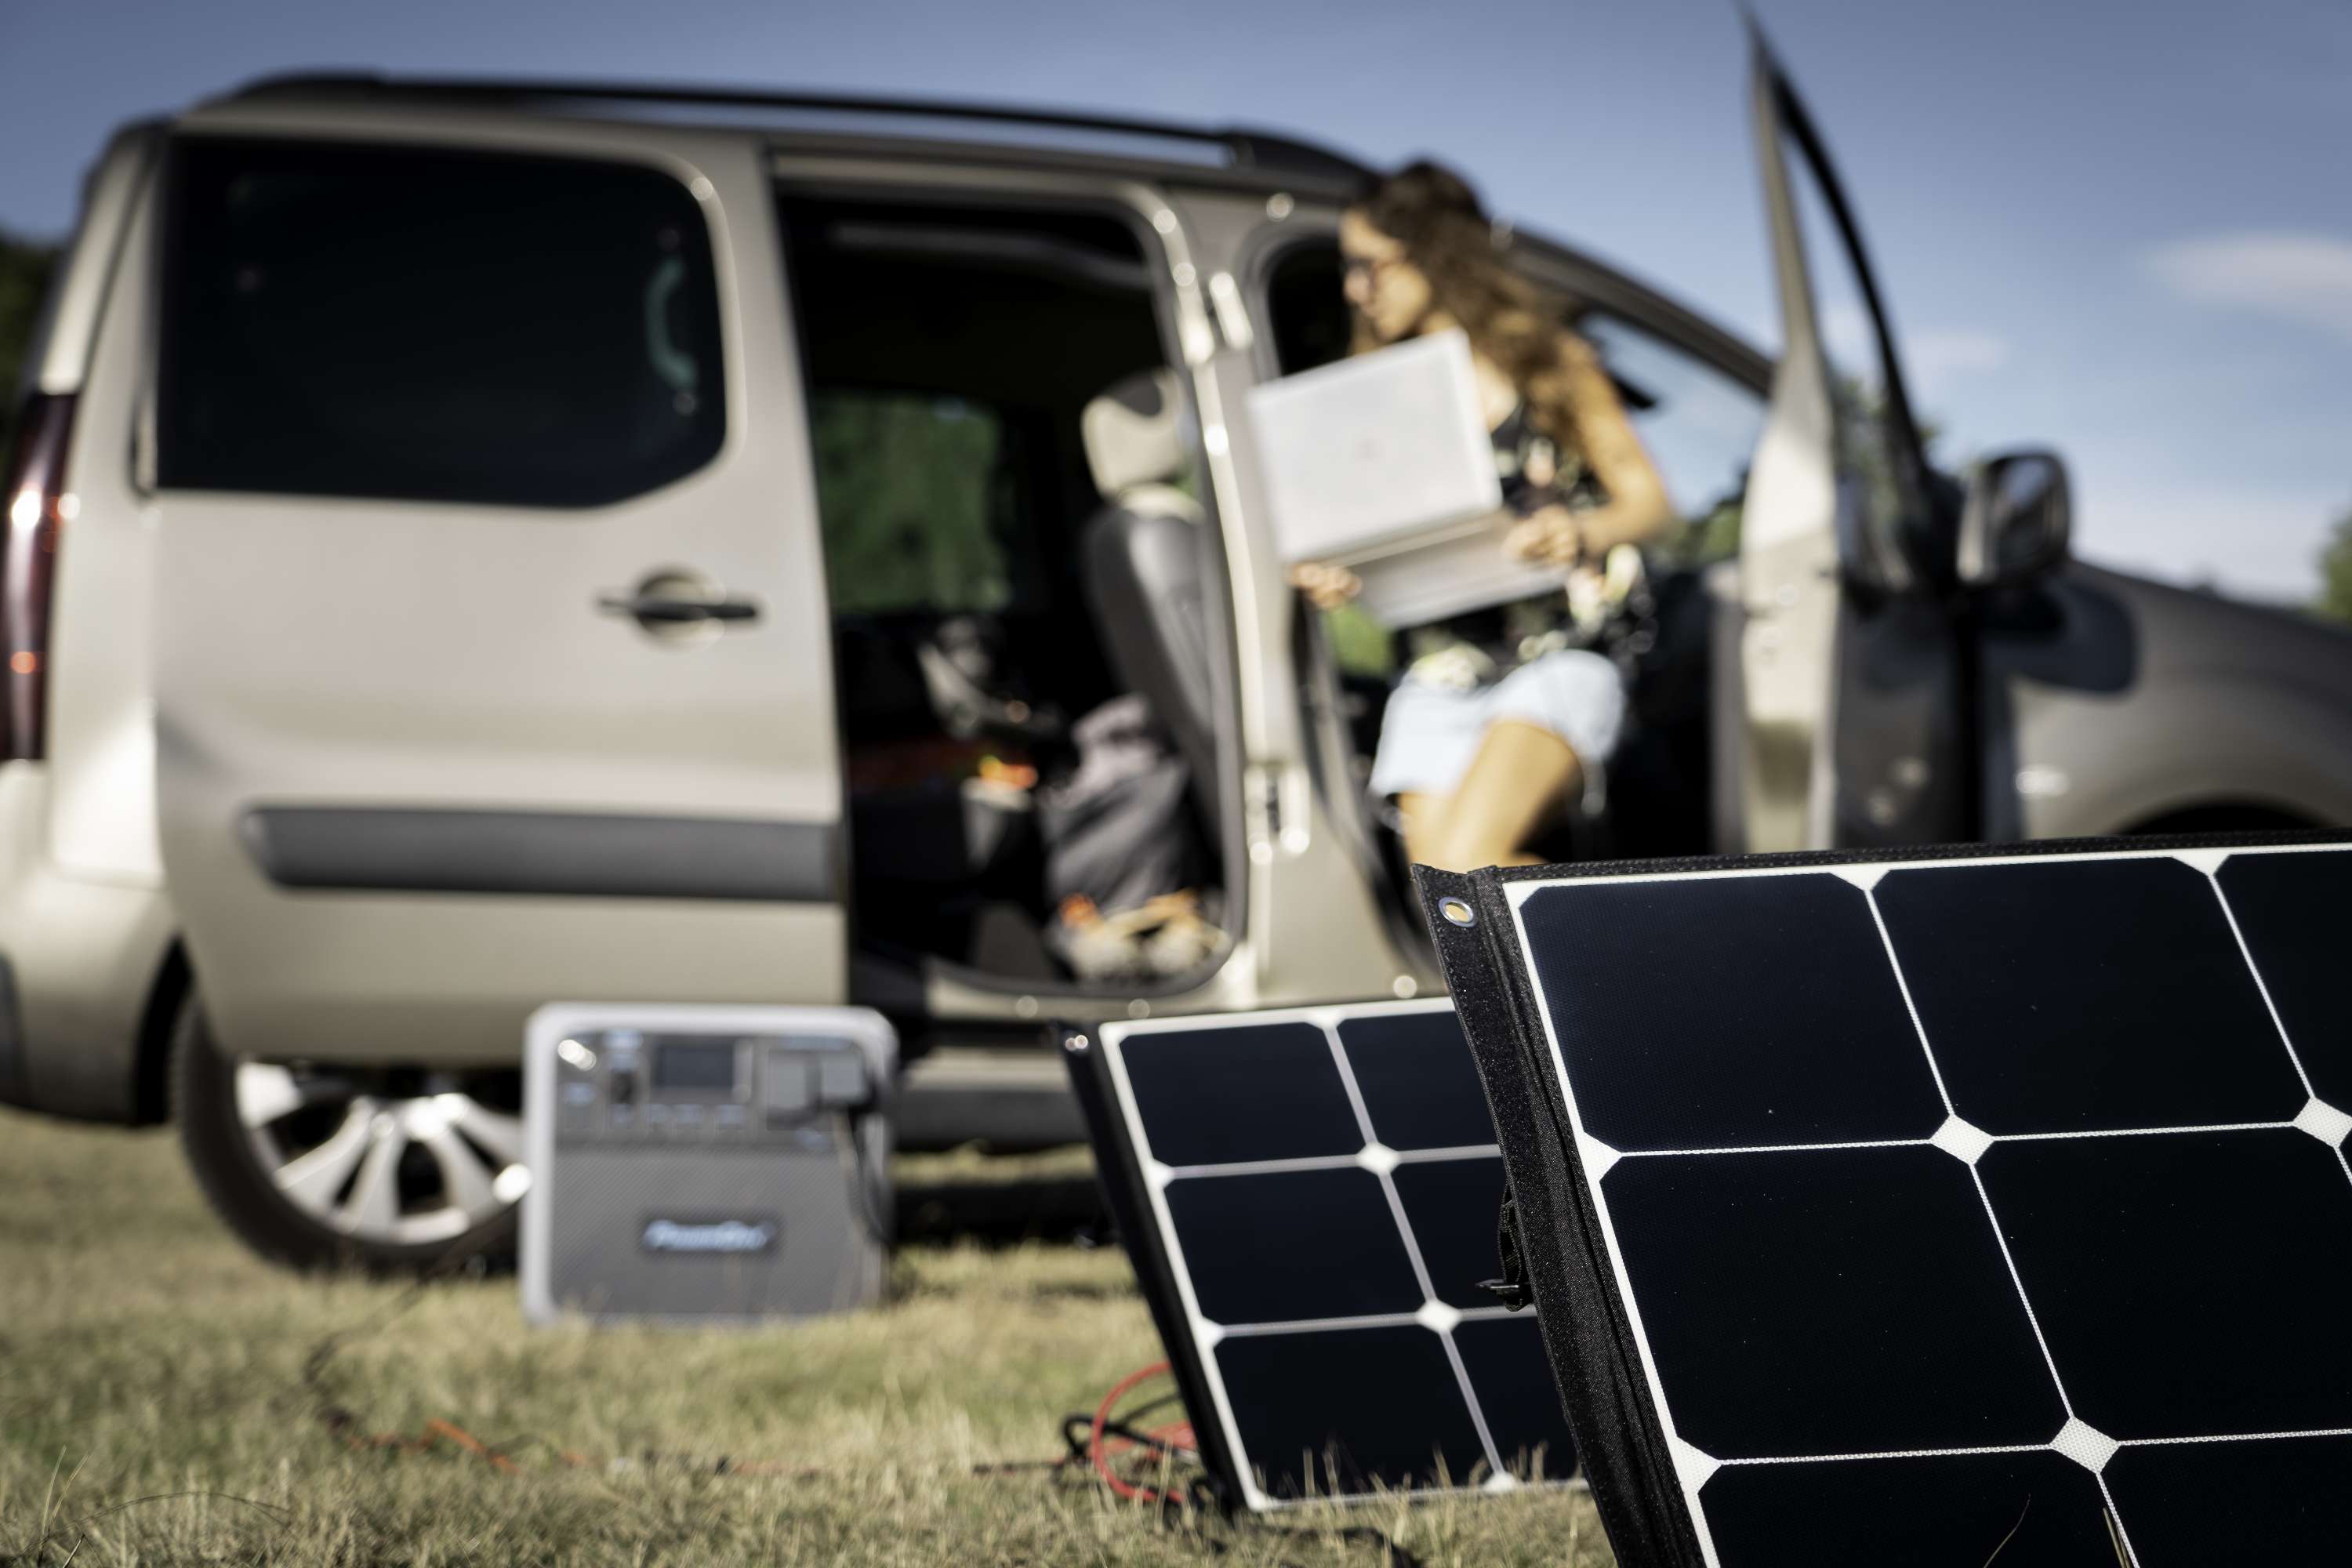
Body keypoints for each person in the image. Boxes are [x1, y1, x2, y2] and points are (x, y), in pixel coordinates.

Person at [1298, 161, 1672, 871]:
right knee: (1445, 897)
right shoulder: (1374, 399)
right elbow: (1372, 537)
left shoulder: (1550, 365)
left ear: (1435, 254)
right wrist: (1341, 571)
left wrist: (1580, 530)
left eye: (1368, 266)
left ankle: (1637, 976)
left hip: (1558, 655)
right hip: (1440, 667)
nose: (1354, 289)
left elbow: (1650, 504)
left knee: (1475, 869)